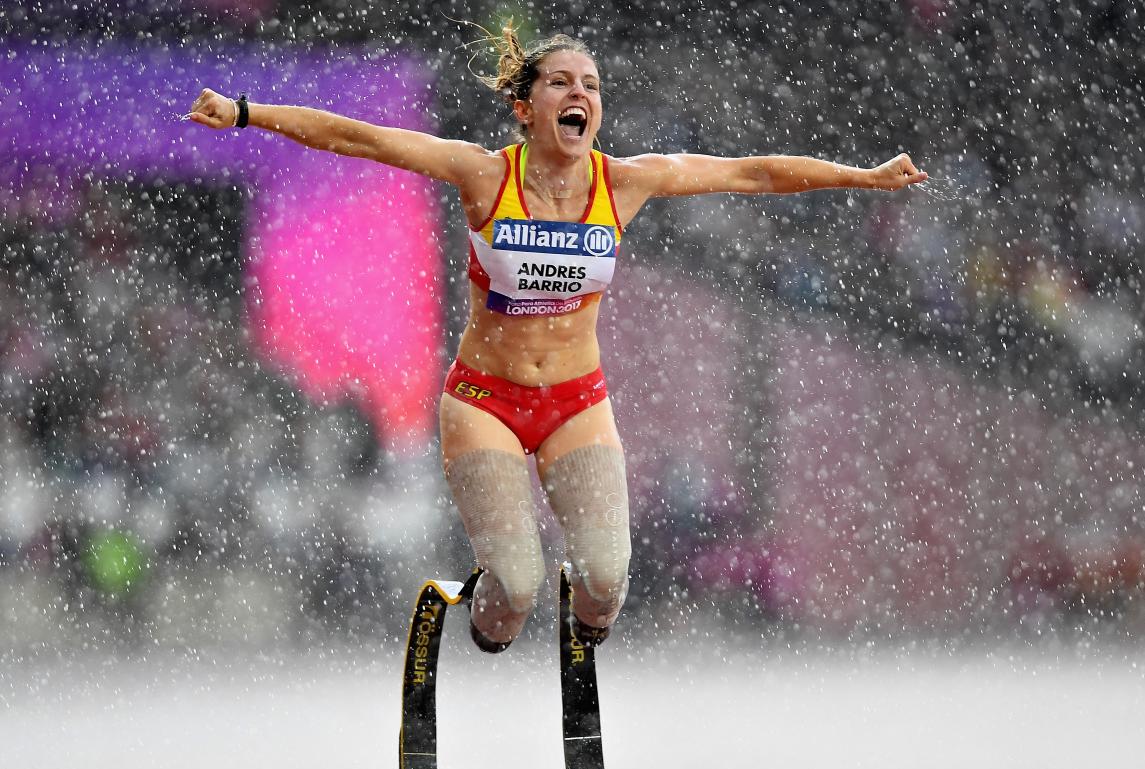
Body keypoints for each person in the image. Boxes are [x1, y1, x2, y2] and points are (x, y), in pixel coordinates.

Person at [188, 26, 927, 653]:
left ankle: (584, 616)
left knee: (605, 583)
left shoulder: (626, 182)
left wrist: (862, 177)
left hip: (577, 403)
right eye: (562, 83)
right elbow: (362, 138)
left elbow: (752, 174)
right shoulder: (484, 175)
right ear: (525, 107)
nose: (581, 95)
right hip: (485, 401)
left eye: (593, 85)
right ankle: (477, 602)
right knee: (514, 592)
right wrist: (247, 112)